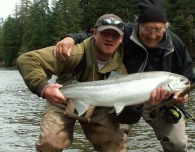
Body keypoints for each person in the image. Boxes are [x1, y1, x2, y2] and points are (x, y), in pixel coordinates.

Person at [54, 0, 195, 152]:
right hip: (122, 96)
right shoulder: (123, 33)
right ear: (138, 24)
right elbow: (92, 37)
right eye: (147, 29)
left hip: (163, 102)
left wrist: (184, 95)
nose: (152, 35)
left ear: (165, 26)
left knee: (178, 145)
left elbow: (188, 78)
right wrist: (70, 39)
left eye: (158, 29)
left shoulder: (175, 43)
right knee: (112, 142)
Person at [17, 13, 168, 152]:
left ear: (121, 38)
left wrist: (137, 104)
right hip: (64, 98)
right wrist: (45, 88)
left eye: (115, 35)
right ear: (95, 33)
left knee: (115, 145)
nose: (110, 39)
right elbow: (27, 60)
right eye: (105, 33)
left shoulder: (120, 70)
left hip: (99, 105)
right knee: (49, 143)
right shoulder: (73, 52)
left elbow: (123, 117)